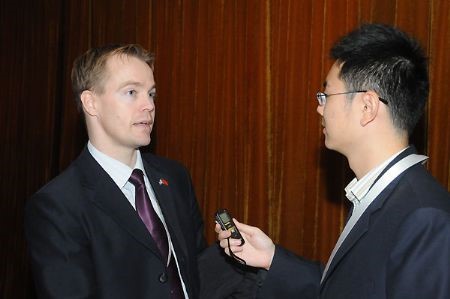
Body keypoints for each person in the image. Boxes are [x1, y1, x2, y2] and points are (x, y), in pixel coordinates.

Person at [216, 23, 450, 298]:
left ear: (367, 107)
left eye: (327, 95)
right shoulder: (378, 192)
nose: (319, 106)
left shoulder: (426, 219)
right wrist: (272, 258)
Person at [25, 44, 255, 299]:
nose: (148, 105)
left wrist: (235, 257)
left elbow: (193, 274)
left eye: (151, 94)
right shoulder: (56, 206)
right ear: (91, 102)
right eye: (131, 92)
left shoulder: (175, 177)